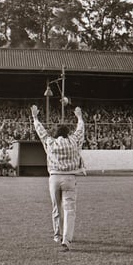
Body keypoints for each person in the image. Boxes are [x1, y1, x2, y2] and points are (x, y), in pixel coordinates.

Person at [31, 104, 85, 251]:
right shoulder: (73, 141)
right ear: (67, 133)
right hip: (70, 178)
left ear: (55, 133)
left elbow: (40, 131)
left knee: (56, 208)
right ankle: (66, 239)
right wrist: (79, 116)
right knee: (69, 209)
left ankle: (57, 234)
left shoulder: (50, 142)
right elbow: (80, 129)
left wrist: (35, 117)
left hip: (54, 177)